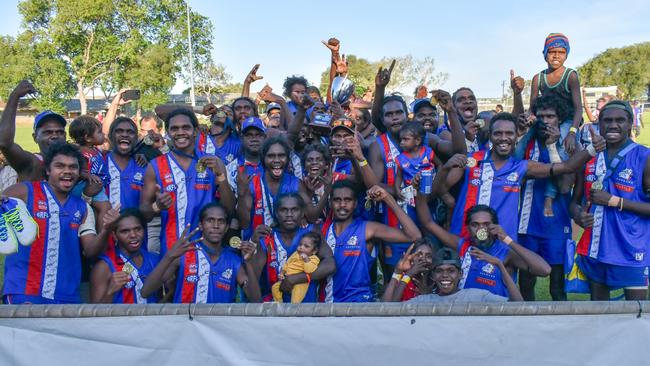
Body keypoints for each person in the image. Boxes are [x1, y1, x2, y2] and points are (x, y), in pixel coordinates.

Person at [432, 112, 606, 241]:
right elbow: (440, 189)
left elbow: (567, 166)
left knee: (501, 289)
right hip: (463, 238)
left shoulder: (522, 167)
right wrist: (445, 169)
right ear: (491, 136)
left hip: (501, 241)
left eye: (509, 134)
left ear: (516, 137)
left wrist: (592, 149)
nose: (503, 138)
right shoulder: (472, 160)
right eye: (498, 134)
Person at [369, 74, 465, 275]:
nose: (394, 117)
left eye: (399, 112)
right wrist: (404, 190)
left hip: (427, 216)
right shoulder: (378, 146)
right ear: (383, 119)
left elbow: (458, 150)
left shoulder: (424, 138)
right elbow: (375, 184)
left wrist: (452, 113)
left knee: (430, 271)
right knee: (394, 272)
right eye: (389, 114)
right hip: (395, 220)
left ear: (407, 115)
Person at [2, 143, 119, 304]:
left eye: (73, 167)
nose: (67, 171)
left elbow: (91, 250)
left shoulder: (83, 207)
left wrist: (106, 229)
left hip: (67, 296)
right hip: (24, 291)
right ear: (48, 170)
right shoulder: (23, 192)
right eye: (60, 166)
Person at [571, 100, 650, 300]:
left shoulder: (644, 157)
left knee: (636, 315)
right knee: (601, 316)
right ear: (600, 123)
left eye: (620, 120)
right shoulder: (589, 156)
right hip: (595, 249)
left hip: (631, 250)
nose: (613, 125)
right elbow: (574, 202)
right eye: (607, 120)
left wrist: (615, 201)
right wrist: (579, 215)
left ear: (630, 123)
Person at [140, 109, 235, 256]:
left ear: (196, 131)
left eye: (186, 127)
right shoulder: (155, 166)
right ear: (168, 132)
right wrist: (156, 206)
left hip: (207, 250)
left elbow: (228, 209)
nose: (180, 132)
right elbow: (144, 214)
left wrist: (221, 176)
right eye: (174, 128)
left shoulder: (212, 162)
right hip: (171, 252)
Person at [415, 203, 550, 297]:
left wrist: (507, 240)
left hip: (495, 313)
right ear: (468, 228)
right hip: (464, 312)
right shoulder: (461, 244)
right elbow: (428, 223)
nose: (481, 230)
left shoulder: (505, 253)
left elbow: (545, 270)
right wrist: (421, 191)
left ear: (495, 226)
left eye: (486, 224)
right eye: (475, 225)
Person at [514, 95, 574, 301]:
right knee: (526, 283)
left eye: (550, 116)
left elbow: (565, 186)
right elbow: (510, 173)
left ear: (560, 119)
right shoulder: (527, 141)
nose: (545, 121)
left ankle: (561, 331)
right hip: (527, 223)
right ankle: (527, 329)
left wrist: (552, 146)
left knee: (557, 287)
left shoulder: (567, 143)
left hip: (556, 223)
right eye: (540, 116)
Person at [141, 203, 261, 303]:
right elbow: (146, 292)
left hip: (220, 329)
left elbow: (256, 300)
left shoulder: (233, 260)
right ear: (201, 225)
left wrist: (248, 262)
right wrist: (169, 256)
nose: (215, 226)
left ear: (227, 227)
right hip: (185, 326)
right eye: (210, 220)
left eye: (221, 221)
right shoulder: (184, 253)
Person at [323, 182, 421, 302]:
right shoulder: (322, 231)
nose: (342, 204)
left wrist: (387, 198)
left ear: (355, 204)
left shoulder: (367, 229)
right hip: (328, 306)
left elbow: (414, 236)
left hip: (359, 305)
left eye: (347, 200)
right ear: (330, 203)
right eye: (337, 200)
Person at [248, 193, 335, 302]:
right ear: (276, 213)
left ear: (302, 213)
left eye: (294, 210)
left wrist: (299, 278)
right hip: (275, 311)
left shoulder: (312, 232)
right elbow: (251, 283)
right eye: (284, 210)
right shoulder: (266, 240)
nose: (289, 214)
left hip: (308, 310)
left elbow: (330, 264)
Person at [0, 81, 66, 182]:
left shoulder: (73, 160)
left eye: (60, 132)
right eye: (48, 132)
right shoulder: (32, 163)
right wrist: (15, 96)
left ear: (65, 136)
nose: (55, 136)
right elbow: (4, 143)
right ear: (35, 138)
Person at [90, 209, 160, 303]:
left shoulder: (155, 259)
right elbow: (94, 313)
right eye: (125, 231)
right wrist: (110, 291)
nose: (133, 235)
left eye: (137, 229)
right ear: (114, 235)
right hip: (120, 318)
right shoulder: (103, 267)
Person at [237, 137, 300, 240]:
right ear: (263, 159)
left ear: (288, 159)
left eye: (281, 156)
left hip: (286, 248)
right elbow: (244, 224)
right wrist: (241, 194)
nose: (276, 160)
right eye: (271, 156)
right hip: (256, 246)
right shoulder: (251, 183)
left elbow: (310, 217)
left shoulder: (296, 183)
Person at [529, 33, 582, 155]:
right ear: (545, 53)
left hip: (568, 120)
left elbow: (578, 107)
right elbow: (532, 107)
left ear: (566, 55)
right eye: (552, 51)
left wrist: (572, 132)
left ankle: (564, 169)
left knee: (564, 144)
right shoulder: (538, 78)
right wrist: (528, 117)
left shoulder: (571, 76)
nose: (556, 56)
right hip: (546, 118)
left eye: (561, 52)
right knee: (523, 139)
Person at [407, 247, 523, 303]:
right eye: (439, 271)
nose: (445, 275)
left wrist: (500, 265)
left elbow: (518, 304)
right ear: (432, 276)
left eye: (451, 270)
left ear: (460, 274)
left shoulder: (478, 296)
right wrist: (402, 274)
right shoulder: (425, 300)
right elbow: (389, 312)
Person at [271, 232, 321, 303]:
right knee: (275, 287)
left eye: (306, 246)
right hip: (287, 278)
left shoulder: (314, 259)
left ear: (314, 251)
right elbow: (287, 264)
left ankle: (294, 307)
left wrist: (306, 260)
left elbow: (309, 270)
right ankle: (279, 302)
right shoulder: (295, 254)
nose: (301, 247)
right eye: (300, 244)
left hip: (300, 283)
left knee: (296, 297)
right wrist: (282, 273)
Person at [225, 117, 266, 196]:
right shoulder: (230, 169)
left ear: (265, 137)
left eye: (258, 135)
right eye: (248, 135)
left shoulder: (273, 164)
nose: (254, 139)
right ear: (241, 138)